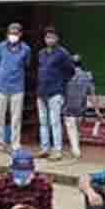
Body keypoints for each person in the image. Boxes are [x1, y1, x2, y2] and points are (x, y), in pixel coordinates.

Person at [36, 27, 74, 161]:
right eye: (47, 37)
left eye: (52, 37)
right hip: (41, 92)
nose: (49, 39)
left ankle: (57, 151)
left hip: (55, 92)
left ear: (57, 38)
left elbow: (70, 71)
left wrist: (60, 84)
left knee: (55, 122)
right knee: (43, 123)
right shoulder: (41, 53)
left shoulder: (62, 53)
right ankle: (45, 149)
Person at [0, 23, 30, 152]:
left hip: (17, 87)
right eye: (11, 33)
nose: (13, 35)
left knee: (16, 118)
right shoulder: (0, 47)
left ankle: (15, 144)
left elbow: (26, 64)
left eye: (16, 33)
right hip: (0, 86)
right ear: (7, 34)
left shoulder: (26, 49)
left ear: (20, 34)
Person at [63, 55, 102, 161]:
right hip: (80, 109)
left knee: (72, 131)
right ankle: (76, 150)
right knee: (76, 130)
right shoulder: (88, 76)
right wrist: (97, 111)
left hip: (68, 108)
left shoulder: (65, 76)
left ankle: (76, 152)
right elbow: (92, 95)